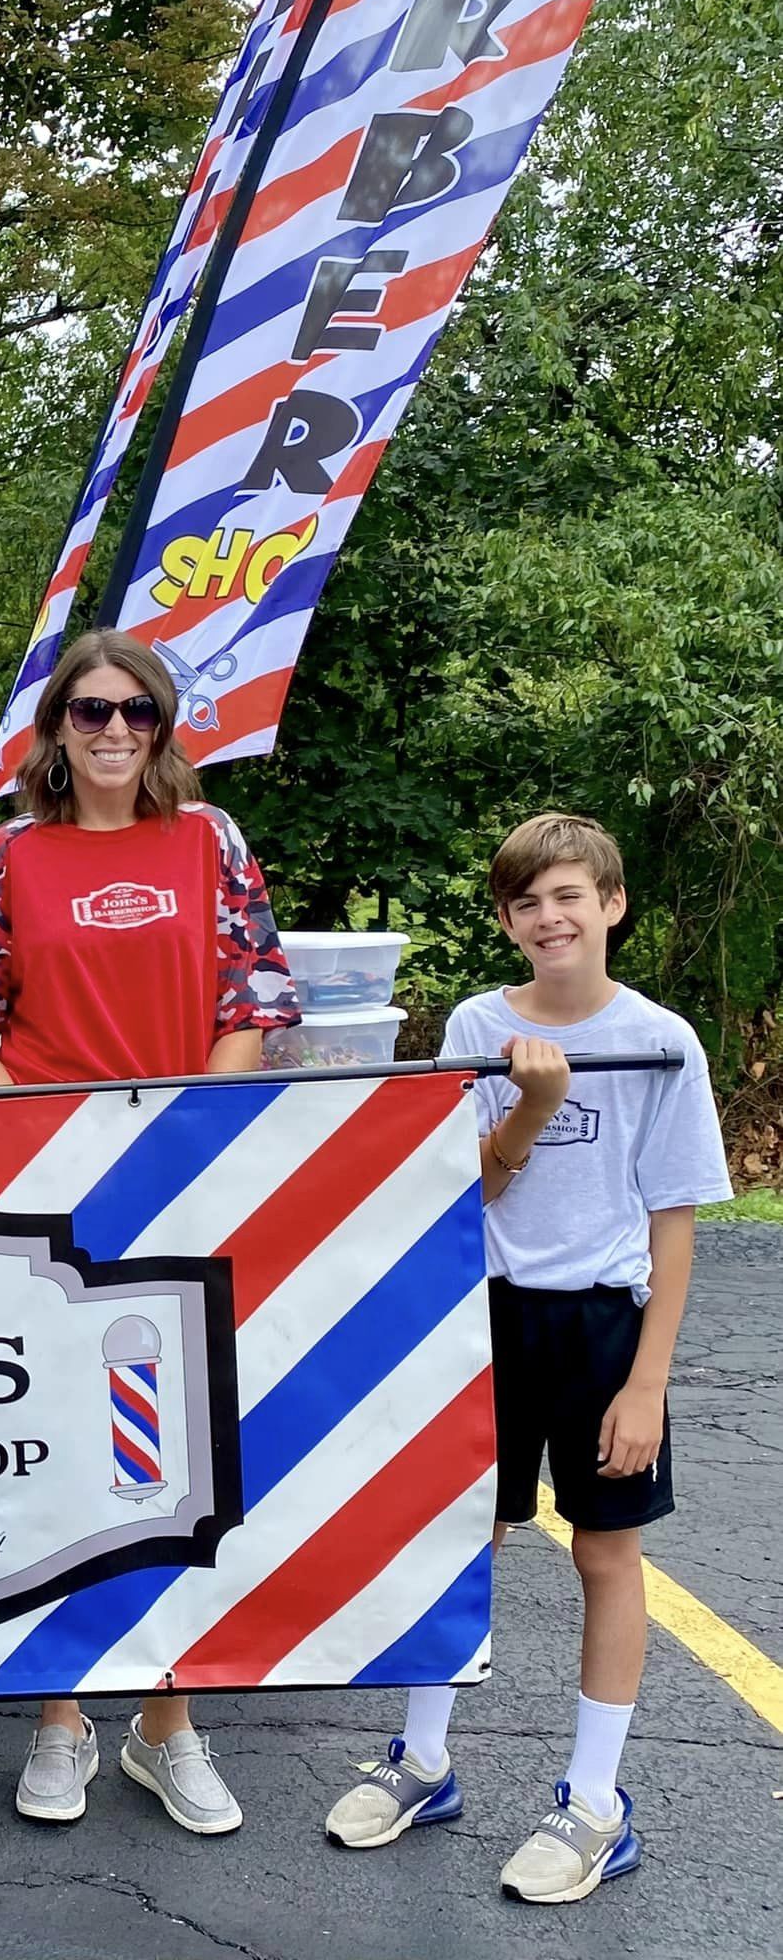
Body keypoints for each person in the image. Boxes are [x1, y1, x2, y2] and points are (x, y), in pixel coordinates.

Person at [325, 813, 731, 1904]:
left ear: (610, 903)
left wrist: (644, 1382)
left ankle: (594, 1801)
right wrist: (532, 1103)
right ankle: (422, 1760)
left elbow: (672, 1223)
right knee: (465, 1535)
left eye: (566, 895)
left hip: (600, 1323)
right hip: (485, 1312)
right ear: (505, 921)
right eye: (524, 902)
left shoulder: (661, 1038)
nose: (547, 916)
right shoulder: (474, 1023)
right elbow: (468, 1186)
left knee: (604, 1552)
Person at [0, 627, 299, 1834]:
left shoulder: (209, 840)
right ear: (54, 730)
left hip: (180, 1175)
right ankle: (56, 1711)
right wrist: (34, 1135)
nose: (109, 733)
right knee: (53, 1441)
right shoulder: (4, 856)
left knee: (172, 1452)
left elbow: (250, 994)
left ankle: (165, 1719)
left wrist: (197, 1125)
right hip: (44, 1190)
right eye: (87, 711)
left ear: (161, 727)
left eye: (134, 712)